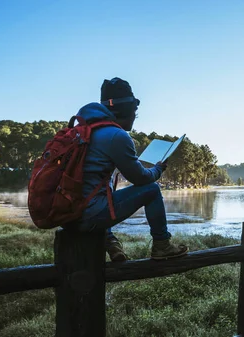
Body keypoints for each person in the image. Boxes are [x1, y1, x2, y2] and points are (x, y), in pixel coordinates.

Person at [75, 77, 188, 261]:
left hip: (69, 218)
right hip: (88, 218)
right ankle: (162, 245)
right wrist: (158, 170)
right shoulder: (116, 136)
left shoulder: (84, 131)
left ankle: (109, 240)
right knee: (152, 190)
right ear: (128, 110)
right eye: (135, 111)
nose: (136, 116)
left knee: (101, 191)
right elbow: (141, 179)